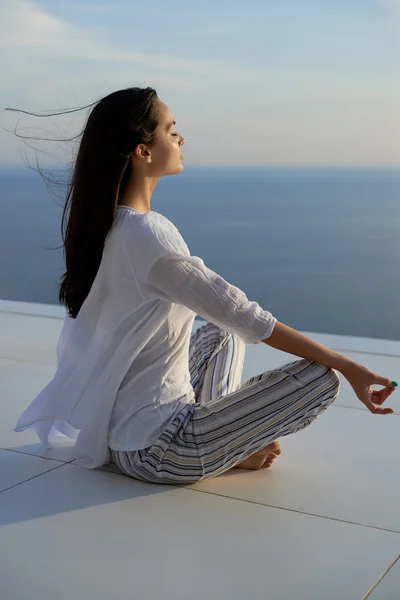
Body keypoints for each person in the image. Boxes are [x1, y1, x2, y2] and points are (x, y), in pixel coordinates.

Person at [14, 87, 397, 484]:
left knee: (221, 336)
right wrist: (349, 366)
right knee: (323, 376)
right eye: (171, 130)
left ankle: (228, 444)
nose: (181, 139)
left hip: (120, 435)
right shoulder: (148, 235)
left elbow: (230, 322)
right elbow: (246, 315)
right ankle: (228, 450)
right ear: (143, 151)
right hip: (160, 450)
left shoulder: (113, 225)